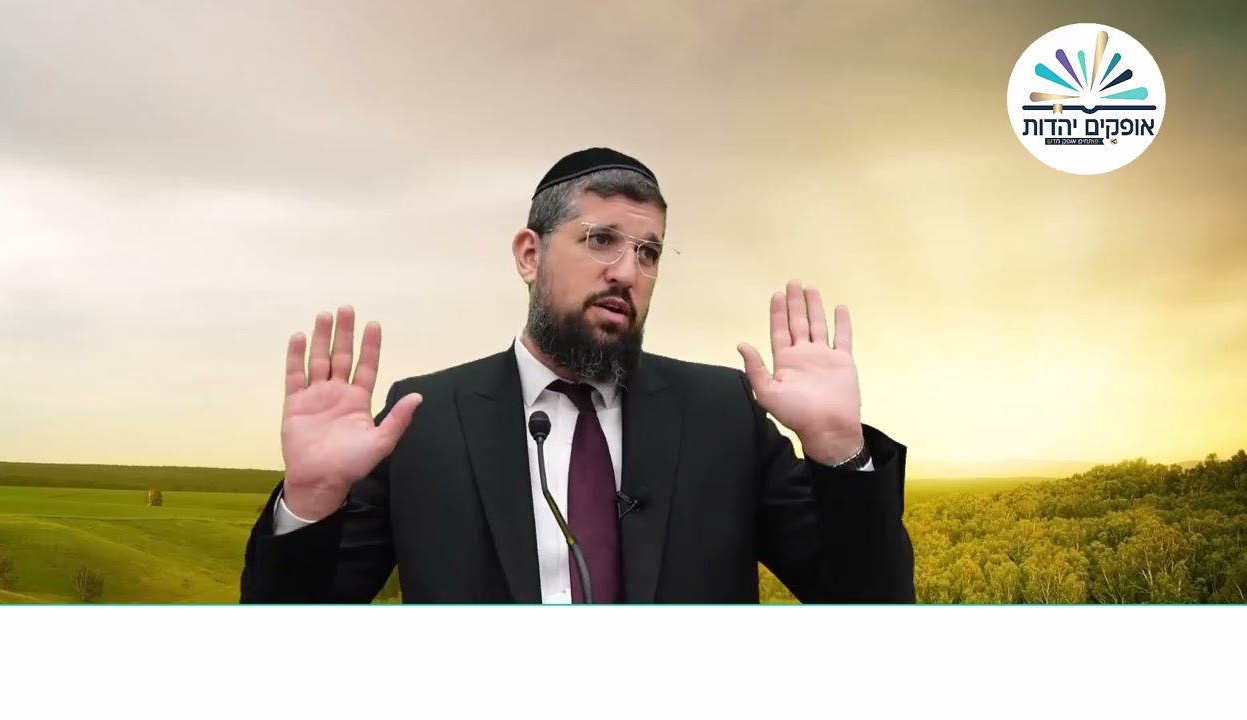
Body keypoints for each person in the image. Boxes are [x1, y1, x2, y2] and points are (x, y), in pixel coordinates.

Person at [238, 147, 915, 604]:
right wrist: (313, 499)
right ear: (529, 255)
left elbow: (867, 607)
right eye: (601, 240)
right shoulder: (425, 419)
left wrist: (838, 449)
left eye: (648, 252)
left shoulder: (722, 411)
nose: (627, 271)